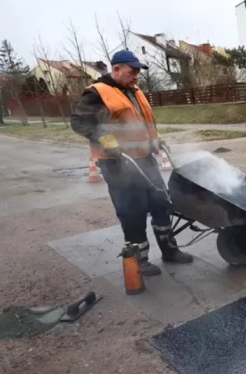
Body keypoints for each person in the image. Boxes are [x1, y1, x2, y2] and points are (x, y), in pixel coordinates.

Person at [71, 50, 193, 276]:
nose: (136, 76)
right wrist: (107, 141)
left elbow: (140, 124)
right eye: (132, 71)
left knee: (161, 202)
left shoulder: (134, 91)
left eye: (138, 72)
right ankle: (139, 260)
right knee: (132, 211)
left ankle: (170, 251)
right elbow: (79, 122)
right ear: (116, 69)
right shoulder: (97, 93)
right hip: (117, 163)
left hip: (144, 158)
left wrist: (154, 140)